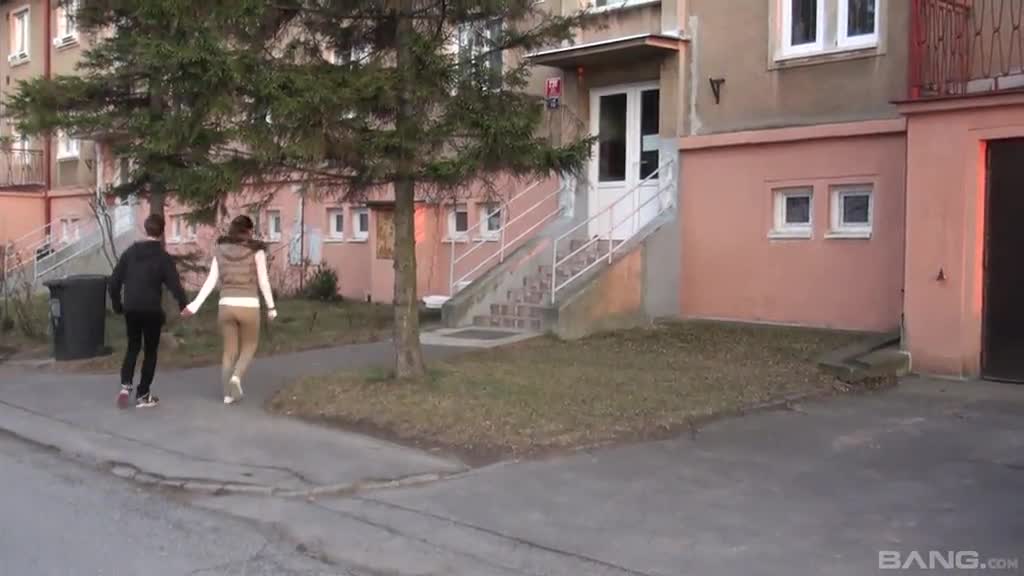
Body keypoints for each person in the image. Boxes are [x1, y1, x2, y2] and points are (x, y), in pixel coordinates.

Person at [184, 215, 277, 405]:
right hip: (249, 305)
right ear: (249, 231)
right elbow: (263, 281)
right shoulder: (256, 251)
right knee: (250, 345)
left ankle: (227, 395)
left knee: (229, 351)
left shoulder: (220, 250)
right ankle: (236, 378)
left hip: (226, 305)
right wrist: (271, 307)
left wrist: (194, 305)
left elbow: (211, 281)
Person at [109, 214, 189, 409]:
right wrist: (183, 305)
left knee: (133, 346)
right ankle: (143, 394)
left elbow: (114, 282)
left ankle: (125, 386)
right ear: (162, 232)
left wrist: (117, 305)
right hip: (151, 309)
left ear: (145, 229)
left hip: (131, 308)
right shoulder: (163, 257)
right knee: (150, 351)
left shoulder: (130, 253)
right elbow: (174, 285)